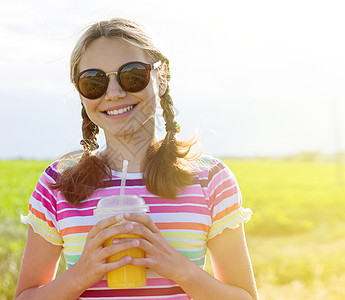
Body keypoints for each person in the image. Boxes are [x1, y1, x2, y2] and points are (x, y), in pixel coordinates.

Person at [14, 18, 258, 300]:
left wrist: (179, 269)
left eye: (132, 75)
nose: (115, 93)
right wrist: (80, 274)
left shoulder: (209, 179)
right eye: (94, 82)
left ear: (161, 77)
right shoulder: (57, 184)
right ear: (80, 93)